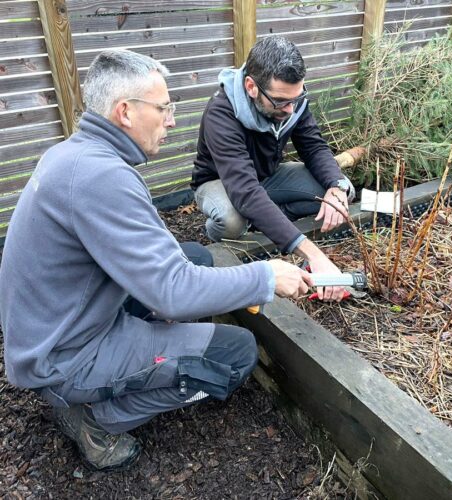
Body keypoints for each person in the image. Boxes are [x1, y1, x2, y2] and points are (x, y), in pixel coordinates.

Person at [0, 49, 313, 471]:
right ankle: (95, 420)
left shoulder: (75, 155)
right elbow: (172, 293)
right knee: (235, 355)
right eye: (163, 108)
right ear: (125, 112)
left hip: (51, 327)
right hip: (63, 356)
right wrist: (264, 276)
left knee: (195, 256)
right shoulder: (102, 177)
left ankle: (100, 378)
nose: (171, 120)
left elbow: (161, 264)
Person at [192, 36, 356, 301]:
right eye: (280, 102)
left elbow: (314, 147)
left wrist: (336, 187)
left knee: (340, 195)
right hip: (221, 182)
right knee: (232, 221)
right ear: (251, 87)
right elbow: (244, 190)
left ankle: (266, 218)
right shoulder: (221, 114)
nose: (290, 109)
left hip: (268, 177)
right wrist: (315, 255)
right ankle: (227, 231)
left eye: (296, 98)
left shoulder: (292, 99)